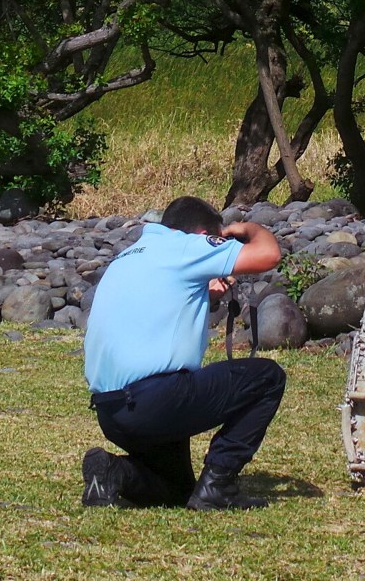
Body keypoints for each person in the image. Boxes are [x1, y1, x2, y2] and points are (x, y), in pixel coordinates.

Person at [81, 196, 286, 510]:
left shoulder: (128, 257)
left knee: (176, 489)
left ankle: (114, 473)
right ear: (206, 236)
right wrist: (249, 227)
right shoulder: (188, 247)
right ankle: (218, 484)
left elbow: (155, 310)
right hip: (154, 400)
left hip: (112, 412)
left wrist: (207, 295)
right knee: (267, 377)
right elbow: (269, 255)